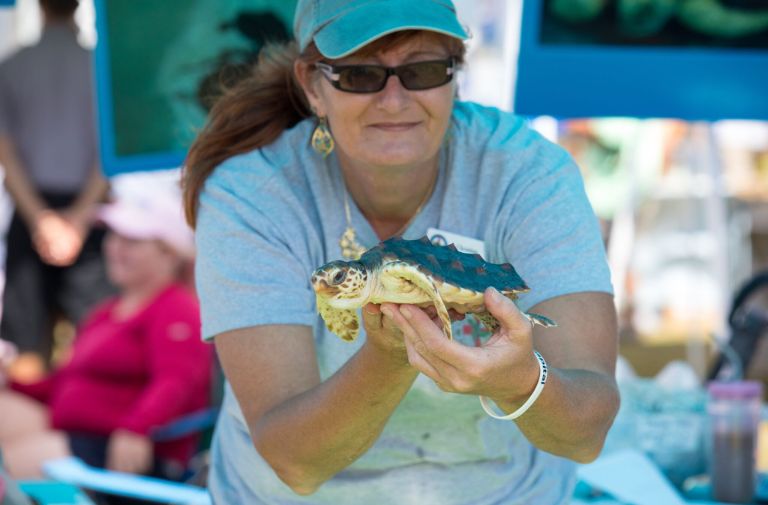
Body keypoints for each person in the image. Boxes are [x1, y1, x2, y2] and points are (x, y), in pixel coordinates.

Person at [183, 0, 620, 502]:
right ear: (312, 85)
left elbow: (587, 432)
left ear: (456, 73)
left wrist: (521, 381)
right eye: (360, 74)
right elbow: (295, 464)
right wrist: (390, 354)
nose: (394, 100)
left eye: (424, 70)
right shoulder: (252, 194)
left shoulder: (525, 171)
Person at [0, 174, 212, 481]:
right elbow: (62, 383)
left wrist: (136, 428)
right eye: (114, 237)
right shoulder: (106, 312)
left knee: (6, 473)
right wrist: (11, 383)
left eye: (132, 241)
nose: (115, 248)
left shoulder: (178, 309)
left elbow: (176, 382)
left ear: (169, 253)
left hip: (121, 454)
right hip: (72, 434)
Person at [0, 0, 114, 381]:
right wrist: (78, 218)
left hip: (35, 210)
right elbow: (107, 151)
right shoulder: (100, 68)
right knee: (93, 341)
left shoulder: (12, 66)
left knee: (27, 346)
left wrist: (40, 219)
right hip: (86, 209)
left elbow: (7, 152)